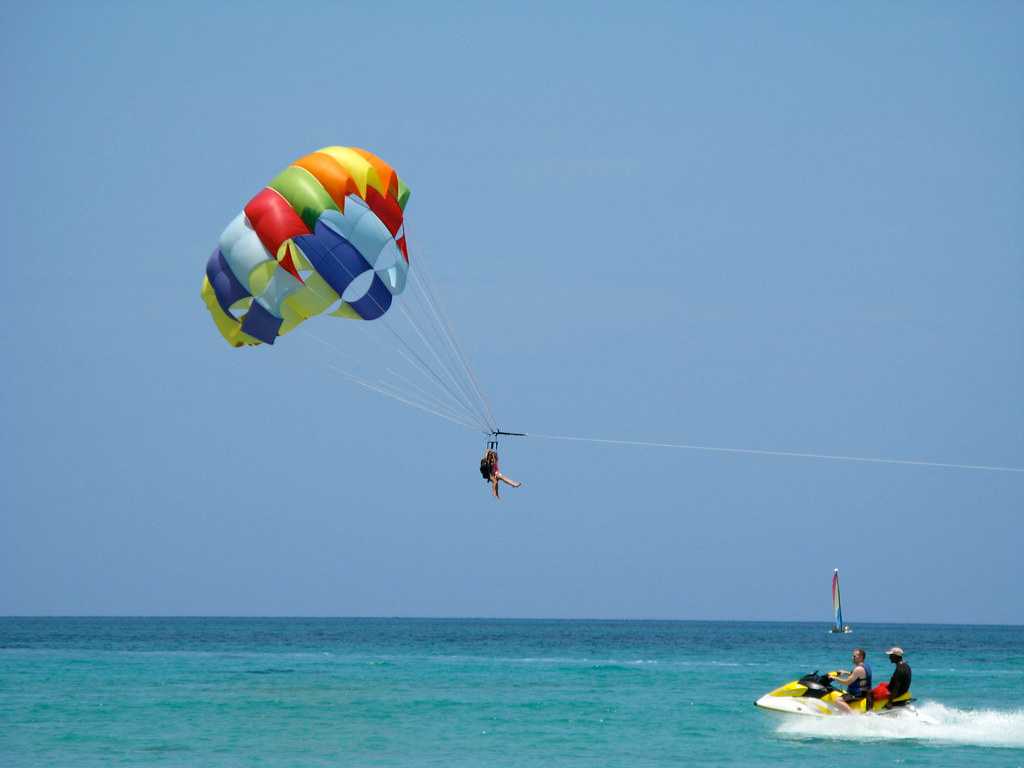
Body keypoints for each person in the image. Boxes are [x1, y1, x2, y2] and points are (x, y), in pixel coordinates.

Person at [831, 648, 872, 714]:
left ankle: (853, 715)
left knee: (837, 700)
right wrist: (846, 672)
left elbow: (847, 682)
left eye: (854, 656)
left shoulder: (858, 669)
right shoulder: (866, 665)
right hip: (866, 693)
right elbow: (858, 676)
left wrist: (835, 678)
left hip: (857, 694)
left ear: (861, 657)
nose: (852, 658)